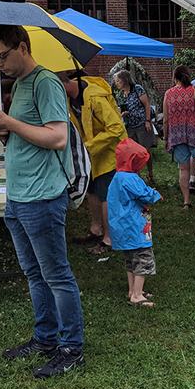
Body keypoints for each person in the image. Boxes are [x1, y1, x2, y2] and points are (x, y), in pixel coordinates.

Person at [0, 24, 85, 379]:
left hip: (42, 197)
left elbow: (56, 137)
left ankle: (71, 348)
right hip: (19, 195)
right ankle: (45, 338)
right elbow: (28, 137)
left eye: (4, 56)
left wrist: (7, 119)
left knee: (56, 275)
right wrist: (1, 128)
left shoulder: (45, 82)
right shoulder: (21, 85)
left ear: (23, 47)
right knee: (34, 273)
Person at [60, 71, 127, 254]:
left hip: (109, 154)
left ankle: (109, 239)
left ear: (64, 84)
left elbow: (116, 127)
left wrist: (89, 146)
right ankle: (96, 229)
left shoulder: (95, 96)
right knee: (91, 191)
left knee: (106, 196)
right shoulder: (69, 99)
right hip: (91, 156)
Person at [107, 138, 161, 308]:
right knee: (144, 259)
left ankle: (133, 290)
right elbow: (145, 194)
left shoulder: (117, 177)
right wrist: (156, 194)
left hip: (121, 228)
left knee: (131, 260)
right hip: (134, 227)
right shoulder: (131, 178)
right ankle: (137, 295)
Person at [163, 65, 195, 210]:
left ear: (174, 77)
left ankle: (186, 201)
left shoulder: (168, 94)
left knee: (183, 169)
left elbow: (165, 119)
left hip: (177, 134)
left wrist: (166, 137)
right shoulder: (194, 91)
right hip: (194, 131)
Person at [112, 69, 156, 184]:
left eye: (118, 80)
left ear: (124, 80)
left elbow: (146, 104)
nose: (116, 83)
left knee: (145, 150)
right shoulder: (121, 94)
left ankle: (150, 173)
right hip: (130, 126)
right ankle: (137, 175)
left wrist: (147, 120)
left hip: (141, 124)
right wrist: (122, 114)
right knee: (133, 152)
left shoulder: (137, 89)